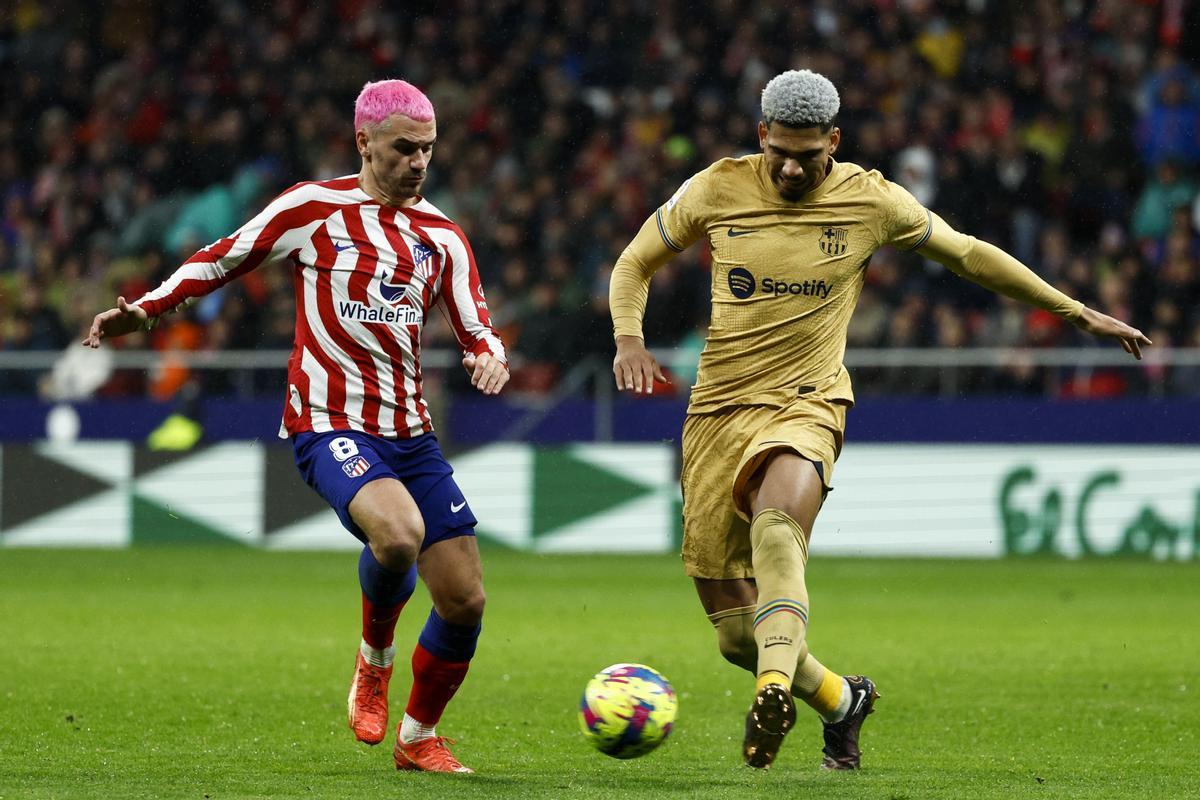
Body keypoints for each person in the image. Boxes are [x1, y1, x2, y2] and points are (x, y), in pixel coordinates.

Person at [609, 69, 1150, 771]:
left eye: (811, 153)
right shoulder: (716, 187)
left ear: (835, 141)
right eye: (782, 153)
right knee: (737, 637)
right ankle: (841, 701)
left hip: (808, 402)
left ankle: (773, 693)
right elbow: (634, 263)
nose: (795, 167)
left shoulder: (871, 199)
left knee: (778, 532)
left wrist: (1076, 311)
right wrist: (628, 335)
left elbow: (968, 255)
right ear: (761, 136)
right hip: (717, 411)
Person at [83, 79, 509, 774]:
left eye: (428, 150)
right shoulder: (313, 210)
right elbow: (224, 256)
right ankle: (374, 658)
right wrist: (150, 309)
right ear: (364, 142)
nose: (418, 163)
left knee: (465, 600)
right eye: (404, 148)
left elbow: (477, 325)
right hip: (329, 421)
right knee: (398, 535)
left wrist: (488, 358)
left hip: (411, 433)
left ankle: (417, 738)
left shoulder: (444, 237)